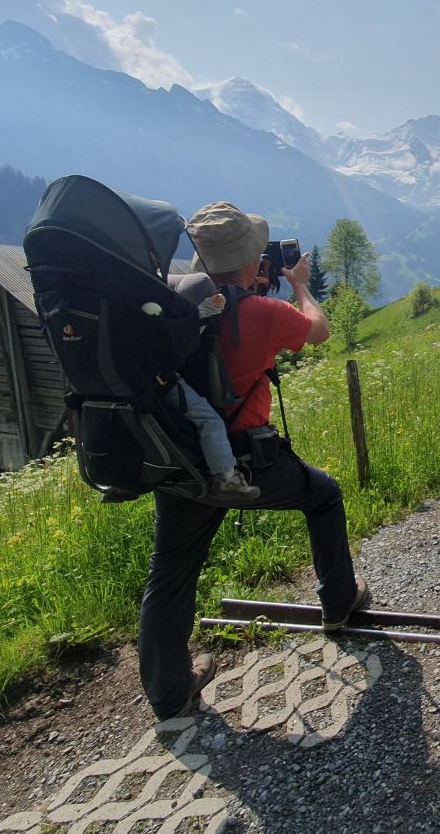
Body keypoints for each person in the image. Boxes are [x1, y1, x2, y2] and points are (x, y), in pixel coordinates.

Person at [138, 201, 370, 720]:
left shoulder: (174, 302)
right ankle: (338, 604)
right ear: (252, 261)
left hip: (179, 460)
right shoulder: (263, 313)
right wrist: (301, 285)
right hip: (248, 461)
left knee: (170, 572)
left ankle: (169, 693)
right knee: (323, 495)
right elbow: (319, 330)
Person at [161, 274, 258, 502]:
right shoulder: (169, 317)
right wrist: (203, 313)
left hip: (124, 384)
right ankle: (226, 478)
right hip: (160, 380)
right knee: (209, 420)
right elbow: (176, 346)